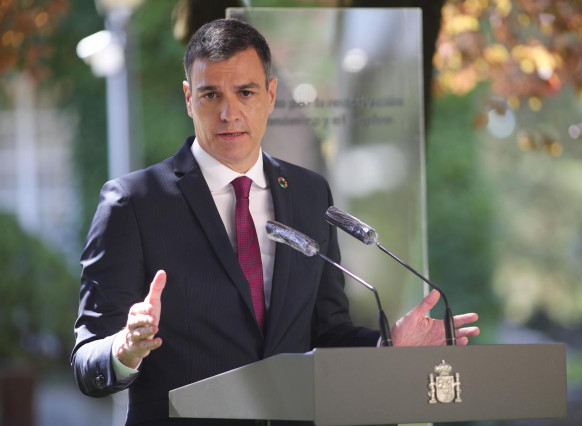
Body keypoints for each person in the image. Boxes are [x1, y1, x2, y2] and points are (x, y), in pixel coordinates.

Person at [71, 18, 479, 425]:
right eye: (210, 94)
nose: (229, 113)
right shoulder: (133, 203)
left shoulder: (309, 194)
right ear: (188, 99)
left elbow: (327, 330)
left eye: (245, 92)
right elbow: (86, 362)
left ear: (270, 95)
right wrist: (123, 351)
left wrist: (384, 346)